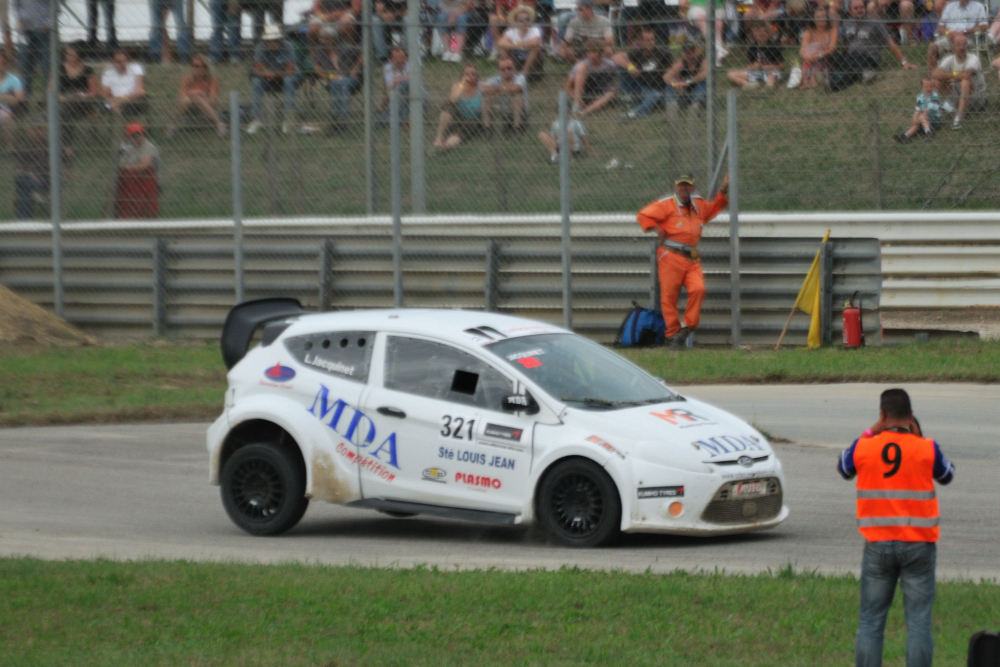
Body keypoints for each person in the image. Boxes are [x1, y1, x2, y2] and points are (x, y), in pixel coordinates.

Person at [837, 388, 955, 667]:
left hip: (878, 544)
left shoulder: (865, 447)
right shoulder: (926, 447)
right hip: (918, 544)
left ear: (882, 415)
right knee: (918, 621)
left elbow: (843, 468)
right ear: (911, 417)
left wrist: (870, 431)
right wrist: (921, 436)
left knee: (871, 620)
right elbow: (947, 475)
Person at [636, 172, 730, 349]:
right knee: (669, 297)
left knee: (698, 289)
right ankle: (673, 336)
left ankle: (687, 327)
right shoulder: (666, 205)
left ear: (693, 187)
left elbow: (716, 206)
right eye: (680, 185)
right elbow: (642, 216)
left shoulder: (699, 205)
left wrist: (724, 188)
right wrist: (658, 229)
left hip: (691, 258)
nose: (684, 188)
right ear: (676, 187)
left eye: (687, 185)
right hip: (670, 255)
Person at [826, 0, 916, 92]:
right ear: (850, 11)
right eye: (856, 8)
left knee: (856, 66)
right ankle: (863, 73)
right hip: (851, 57)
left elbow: (890, 42)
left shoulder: (875, 23)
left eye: (861, 7)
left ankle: (834, 86)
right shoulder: (846, 24)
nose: (859, 10)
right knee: (833, 55)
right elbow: (846, 44)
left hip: (868, 57)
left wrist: (904, 62)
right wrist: (842, 57)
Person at [247, 24, 298, 134]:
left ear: (280, 39)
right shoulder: (260, 47)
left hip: (285, 78)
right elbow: (258, 69)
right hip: (267, 79)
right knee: (256, 82)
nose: (273, 42)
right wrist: (265, 72)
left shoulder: (288, 46)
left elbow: (290, 70)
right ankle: (256, 119)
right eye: (271, 40)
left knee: (289, 80)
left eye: (276, 40)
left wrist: (274, 74)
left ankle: (288, 119)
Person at [613, 25, 673, 119]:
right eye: (647, 40)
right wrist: (630, 67)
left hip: (656, 89)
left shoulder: (663, 53)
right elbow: (616, 57)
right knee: (622, 68)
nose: (651, 42)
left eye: (652, 39)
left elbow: (673, 69)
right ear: (640, 42)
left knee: (655, 96)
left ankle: (632, 114)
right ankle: (628, 99)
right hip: (640, 85)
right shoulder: (637, 51)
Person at [311, 24, 363, 131]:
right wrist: (331, 76)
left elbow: (363, 54)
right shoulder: (319, 51)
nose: (323, 41)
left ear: (334, 39)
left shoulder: (346, 47)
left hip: (351, 79)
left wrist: (355, 68)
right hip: (334, 81)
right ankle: (338, 120)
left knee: (342, 83)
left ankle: (340, 121)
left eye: (327, 38)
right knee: (337, 83)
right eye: (322, 38)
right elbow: (317, 70)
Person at [932, 32, 987, 130]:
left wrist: (947, 76)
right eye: (958, 45)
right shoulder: (949, 59)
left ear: (967, 47)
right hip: (958, 97)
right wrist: (954, 74)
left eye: (964, 45)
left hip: (976, 98)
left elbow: (966, 75)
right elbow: (935, 74)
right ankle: (939, 110)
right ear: (952, 48)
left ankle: (958, 118)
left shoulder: (973, 59)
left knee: (965, 82)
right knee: (938, 81)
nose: (962, 47)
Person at [166, 54, 226, 137]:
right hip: (188, 108)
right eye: (194, 66)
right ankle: (172, 126)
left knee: (197, 98)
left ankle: (219, 124)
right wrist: (192, 94)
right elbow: (181, 97)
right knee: (188, 100)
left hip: (207, 109)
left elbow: (213, 102)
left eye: (200, 66)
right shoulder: (187, 78)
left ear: (206, 67)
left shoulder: (212, 80)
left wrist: (200, 93)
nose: (197, 69)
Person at [114, 122, 161, 219]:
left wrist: (125, 168)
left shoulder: (148, 147)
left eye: (139, 134)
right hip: (130, 180)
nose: (137, 137)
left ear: (143, 134)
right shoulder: (129, 148)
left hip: (145, 180)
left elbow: (143, 166)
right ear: (129, 137)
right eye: (133, 136)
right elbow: (119, 165)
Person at [433, 63, 483, 152]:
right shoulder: (458, 86)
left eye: (473, 74)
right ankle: (439, 138)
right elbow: (453, 100)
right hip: (458, 116)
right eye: (467, 74)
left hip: (471, 120)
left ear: (477, 75)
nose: (470, 76)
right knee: (448, 105)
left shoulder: (481, 86)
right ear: (463, 75)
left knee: (460, 133)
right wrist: (463, 83)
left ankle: (446, 146)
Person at [927, 0, 987, 71]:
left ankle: (960, 73)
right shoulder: (949, 6)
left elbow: (983, 27)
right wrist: (948, 33)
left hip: (967, 38)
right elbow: (940, 28)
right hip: (949, 38)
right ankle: (933, 76)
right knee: (933, 47)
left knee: (960, 46)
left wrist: (964, 32)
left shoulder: (978, 7)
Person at [726, 20, 784, 89]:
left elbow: (782, 65)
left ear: (767, 34)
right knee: (730, 74)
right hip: (755, 72)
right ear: (754, 35)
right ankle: (748, 85)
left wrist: (770, 66)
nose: (759, 38)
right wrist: (754, 66)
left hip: (770, 71)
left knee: (772, 76)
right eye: (757, 36)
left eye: (761, 35)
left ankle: (769, 86)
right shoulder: (753, 47)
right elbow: (748, 66)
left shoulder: (773, 46)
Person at [565, 40, 617, 116]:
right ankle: (576, 107)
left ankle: (583, 112)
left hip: (601, 91)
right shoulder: (581, 65)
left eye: (594, 52)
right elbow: (568, 87)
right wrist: (579, 100)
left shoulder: (609, 65)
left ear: (600, 53)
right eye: (588, 53)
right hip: (584, 92)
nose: (591, 55)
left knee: (611, 93)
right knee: (581, 68)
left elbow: (619, 73)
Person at [13, 0, 50, 96]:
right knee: (25, 65)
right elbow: (16, 4)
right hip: (25, 29)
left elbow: (58, 4)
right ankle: (24, 98)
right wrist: (19, 20)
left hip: (45, 30)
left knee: (47, 66)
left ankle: (49, 99)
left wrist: (48, 23)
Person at [482, 55, 528, 132]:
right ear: (498, 70)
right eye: (502, 69)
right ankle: (487, 128)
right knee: (486, 98)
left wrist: (496, 90)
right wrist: (506, 89)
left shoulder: (520, 78)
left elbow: (516, 89)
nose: (506, 71)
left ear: (514, 69)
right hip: (503, 113)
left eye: (509, 68)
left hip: (521, 113)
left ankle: (517, 128)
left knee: (517, 96)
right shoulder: (495, 79)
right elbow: (483, 89)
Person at [497, 4, 543, 78]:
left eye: (527, 19)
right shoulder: (512, 31)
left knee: (536, 48)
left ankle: (523, 75)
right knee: (503, 48)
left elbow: (536, 42)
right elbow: (500, 43)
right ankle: (510, 72)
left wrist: (514, 44)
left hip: (534, 60)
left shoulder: (534, 29)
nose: (524, 22)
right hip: (516, 58)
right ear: (516, 22)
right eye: (521, 20)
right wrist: (517, 45)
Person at [798, 5, 838, 89]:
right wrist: (806, 56)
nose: (821, 19)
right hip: (810, 60)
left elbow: (832, 48)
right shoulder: (809, 32)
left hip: (825, 59)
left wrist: (818, 55)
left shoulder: (832, 31)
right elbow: (802, 50)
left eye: (823, 16)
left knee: (816, 52)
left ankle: (813, 78)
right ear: (813, 20)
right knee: (808, 54)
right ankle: (808, 80)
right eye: (818, 17)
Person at [101, 49, 148, 118]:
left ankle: (119, 117)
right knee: (112, 105)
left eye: (125, 61)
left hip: (132, 100)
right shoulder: (108, 73)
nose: (122, 64)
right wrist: (115, 100)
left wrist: (122, 99)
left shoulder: (135, 68)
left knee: (141, 95)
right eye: (118, 62)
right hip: (115, 100)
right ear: (113, 63)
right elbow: (105, 93)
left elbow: (140, 90)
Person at [895, 76, 942, 142]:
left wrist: (920, 117)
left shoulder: (934, 96)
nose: (929, 88)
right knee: (915, 124)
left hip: (935, 119)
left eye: (931, 86)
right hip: (923, 119)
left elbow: (929, 110)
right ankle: (905, 136)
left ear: (934, 87)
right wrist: (914, 119)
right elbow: (917, 110)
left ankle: (929, 133)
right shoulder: (920, 97)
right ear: (922, 87)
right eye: (926, 87)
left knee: (921, 117)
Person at [664, 40, 707, 110]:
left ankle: (696, 106)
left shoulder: (702, 61)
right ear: (683, 54)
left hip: (699, 94)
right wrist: (674, 84)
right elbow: (666, 76)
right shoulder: (681, 63)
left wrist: (687, 82)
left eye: (693, 51)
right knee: (669, 85)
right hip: (684, 93)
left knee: (703, 82)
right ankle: (671, 106)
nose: (691, 55)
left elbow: (705, 73)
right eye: (688, 53)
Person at [0, 51, 25, 145]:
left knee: (7, 117)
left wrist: (3, 97)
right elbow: (12, 98)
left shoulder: (13, 79)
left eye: (1, 63)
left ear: (6, 64)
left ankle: (11, 148)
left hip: (6, 109)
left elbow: (19, 99)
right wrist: (8, 97)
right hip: (5, 104)